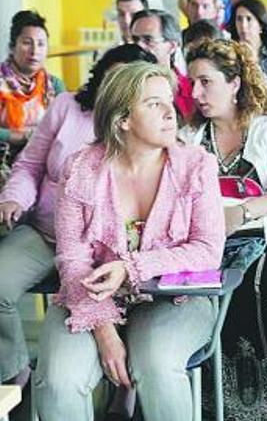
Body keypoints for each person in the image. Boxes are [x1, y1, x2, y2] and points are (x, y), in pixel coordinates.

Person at [33, 61, 225, 421]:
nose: (172, 112)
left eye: (169, 101)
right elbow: (73, 260)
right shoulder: (79, 169)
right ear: (122, 119)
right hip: (88, 296)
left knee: (156, 365)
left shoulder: (197, 165)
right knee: (59, 380)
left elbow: (208, 250)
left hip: (176, 298)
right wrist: (104, 332)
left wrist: (131, 268)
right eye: (154, 104)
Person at [0, 45, 155, 393]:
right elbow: (29, 165)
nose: (116, 85)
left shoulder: (143, 123)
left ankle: (124, 396)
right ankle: (13, 376)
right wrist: (13, 198)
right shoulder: (67, 106)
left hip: (105, 250)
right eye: (111, 75)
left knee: (126, 302)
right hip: (46, 233)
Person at [181, 39, 267, 417]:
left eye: (206, 82)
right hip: (208, 238)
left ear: (234, 83)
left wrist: (242, 214)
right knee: (193, 286)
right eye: (193, 84)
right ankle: (214, 401)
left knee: (255, 278)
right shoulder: (190, 137)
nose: (197, 93)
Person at [0, 10, 65, 164]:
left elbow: (65, 126)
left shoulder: (54, 85)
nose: (35, 51)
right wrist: (23, 137)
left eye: (41, 44)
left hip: (45, 160)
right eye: (27, 43)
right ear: (12, 46)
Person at [130, 9, 195, 120]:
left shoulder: (193, 92)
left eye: (148, 39)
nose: (139, 46)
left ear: (172, 46)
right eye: (135, 39)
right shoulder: (122, 89)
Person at [229, 0, 267, 88]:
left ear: (260, 24)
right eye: (239, 19)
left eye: (249, 19)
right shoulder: (229, 52)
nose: (243, 25)